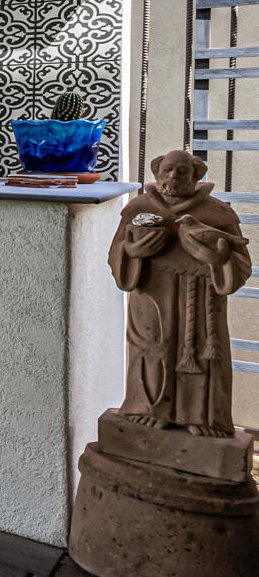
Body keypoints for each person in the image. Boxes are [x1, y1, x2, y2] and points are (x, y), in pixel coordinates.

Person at [108, 149, 252, 437]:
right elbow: (117, 253)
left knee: (200, 353)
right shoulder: (136, 209)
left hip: (200, 295)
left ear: (195, 176)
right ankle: (148, 408)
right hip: (150, 292)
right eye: (168, 170)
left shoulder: (217, 213)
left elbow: (241, 262)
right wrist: (133, 252)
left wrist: (218, 259)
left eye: (182, 172)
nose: (173, 176)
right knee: (151, 348)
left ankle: (201, 416)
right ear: (157, 174)